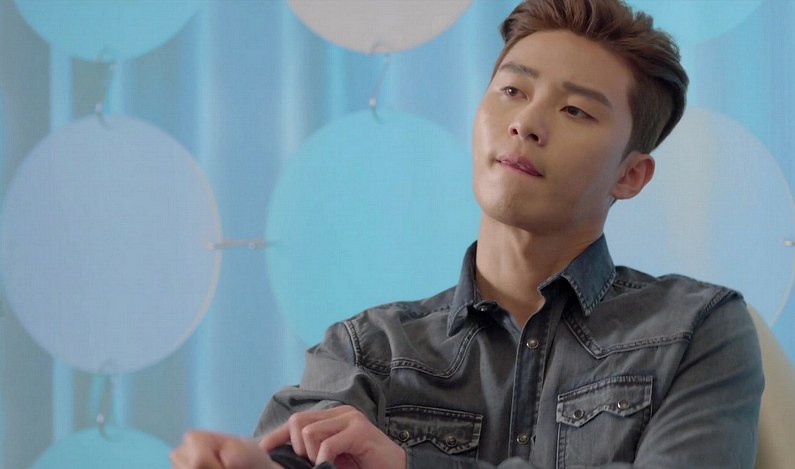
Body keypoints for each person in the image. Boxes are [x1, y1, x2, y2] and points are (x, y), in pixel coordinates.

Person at [170, 0, 764, 467]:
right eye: (512, 90)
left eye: (575, 111)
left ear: (630, 175)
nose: (526, 122)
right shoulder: (368, 351)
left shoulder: (696, 329)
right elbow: (294, 456)